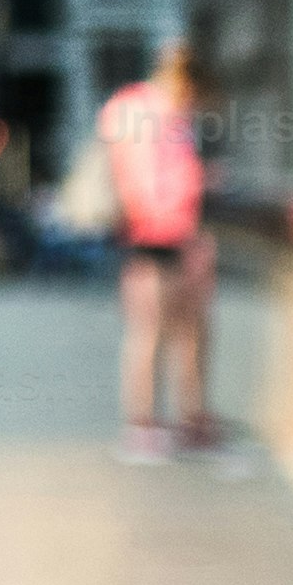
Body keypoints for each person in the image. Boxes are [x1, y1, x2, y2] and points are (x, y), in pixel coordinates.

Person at [101, 42, 220, 459]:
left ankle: (182, 420)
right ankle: (147, 424)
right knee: (154, 332)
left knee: (186, 331)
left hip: (166, 234)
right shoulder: (144, 112)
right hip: (156, 236)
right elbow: (147, 183)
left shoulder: (151, 112)